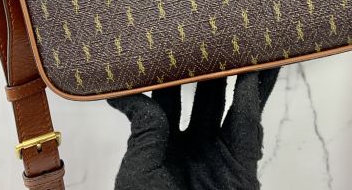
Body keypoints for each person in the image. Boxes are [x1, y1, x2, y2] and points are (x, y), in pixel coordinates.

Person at [108, 68, 279, 190]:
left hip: (159, 177)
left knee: (168, 87)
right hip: (226, 179)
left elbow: (151, 119)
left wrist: (106, 83)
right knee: (231, 81)